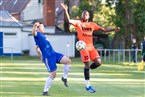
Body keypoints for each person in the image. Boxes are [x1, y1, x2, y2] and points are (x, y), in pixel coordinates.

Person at [61, 3, 120, 93]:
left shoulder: (92, 24)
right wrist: (65, 10)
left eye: (86, 14)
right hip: (83, 48)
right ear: (82, 16)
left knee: (98, 62)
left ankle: (87, 70)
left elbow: (103, 29)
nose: (85, 15)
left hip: (91, 47)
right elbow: (68, 21)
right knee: (87, 64)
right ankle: (88, 85)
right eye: (83, 14)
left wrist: (113, 29)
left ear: (88, 16)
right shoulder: (78, 23)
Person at [32, 22, 71, 96]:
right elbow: (33, 33)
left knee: (68, 61)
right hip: (48, 57)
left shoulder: (43, 36)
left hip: (54, 54)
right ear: (38, 28)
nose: (43, 28)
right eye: (42, 27)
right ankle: (45, 91)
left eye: (43, 27)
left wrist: (40, 56)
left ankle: (64, 78)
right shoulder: (37, 34)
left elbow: (37, 48)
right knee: (53, 75)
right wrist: (35, 25)